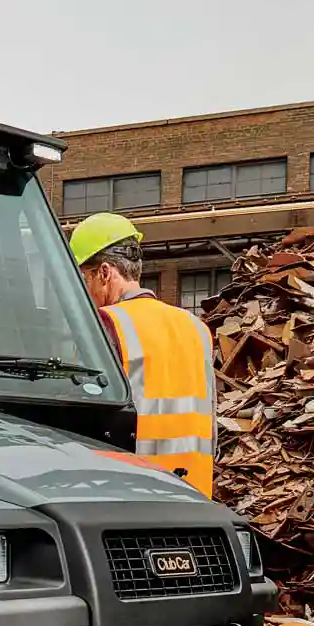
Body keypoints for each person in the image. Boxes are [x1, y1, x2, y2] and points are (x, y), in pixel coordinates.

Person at [70, 212, 218, 497]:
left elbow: (86, 421)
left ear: (104, 272)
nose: (83, 291)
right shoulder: (196, 328)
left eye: (84, 278)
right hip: (196, 494)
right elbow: (210, 425)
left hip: (134, 495)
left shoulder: (106, 324)